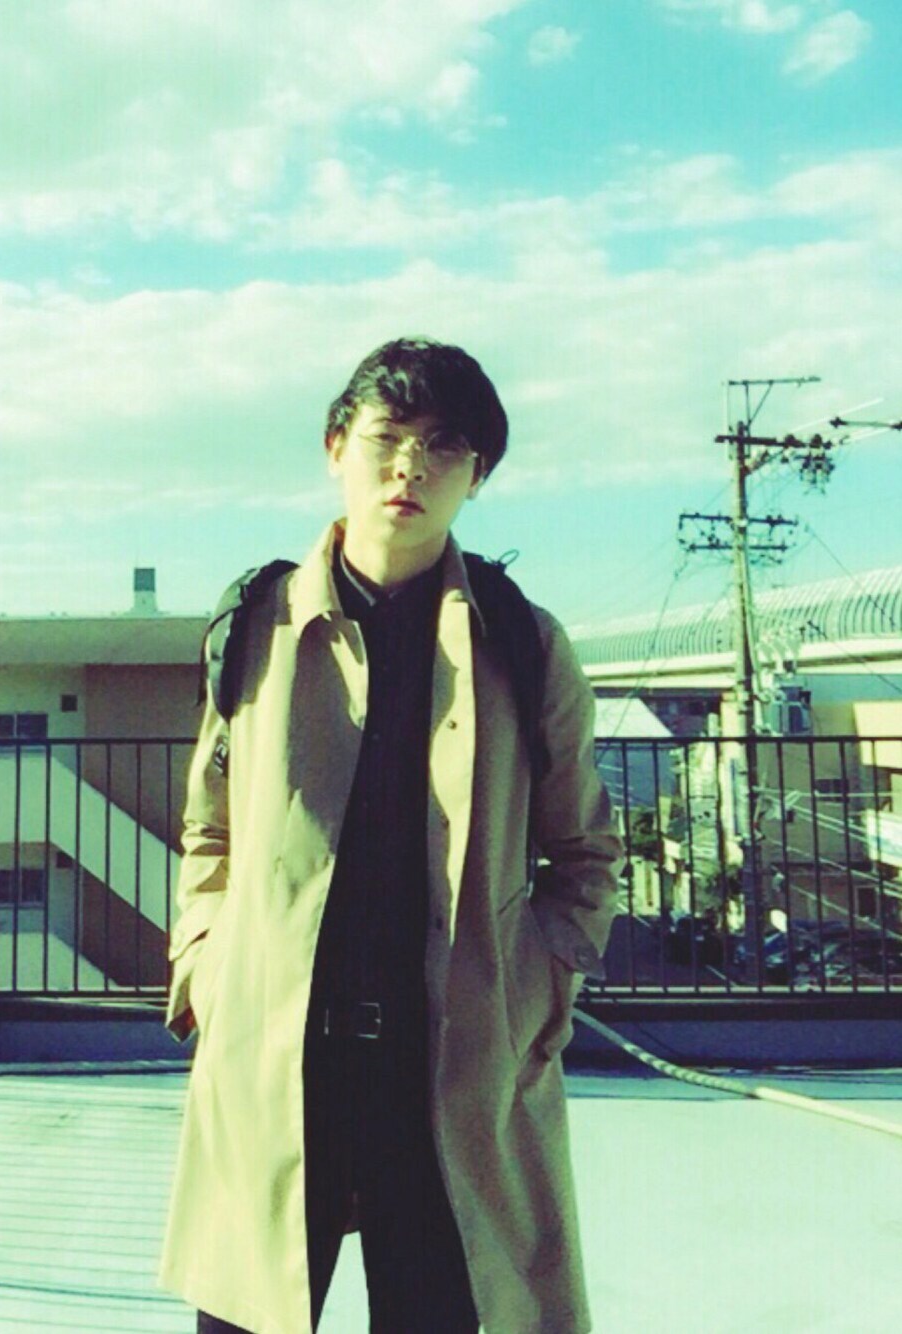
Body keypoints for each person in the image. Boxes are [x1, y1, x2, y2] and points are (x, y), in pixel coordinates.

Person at [159, 337, 623, 1333]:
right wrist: (206, 962)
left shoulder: (522, 639)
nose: (410, 465)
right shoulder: (257, 624)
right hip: (277, 1059)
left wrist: (536, 989)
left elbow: (585, 853)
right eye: (388, 436)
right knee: (243, 1315)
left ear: (477, 473)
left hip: (451, 1065)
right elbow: (209, 827)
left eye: (443, 444)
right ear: (337, 446)